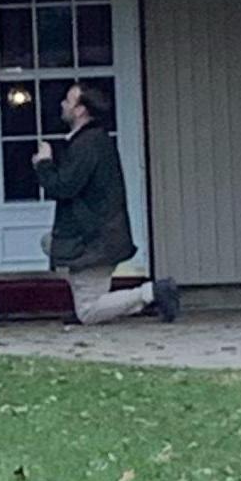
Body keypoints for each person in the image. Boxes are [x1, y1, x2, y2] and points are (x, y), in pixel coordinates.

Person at [32, 82, 160, 325]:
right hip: (95, 234)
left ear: (81, 110)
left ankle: (151, 293)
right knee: (50, 244)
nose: (63, 104)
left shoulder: (88, 144)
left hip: (94, 239)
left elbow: (64, 187)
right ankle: (88, 297)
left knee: (88, 313)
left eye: (69, 101)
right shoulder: (91, 141)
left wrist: (44, 163)